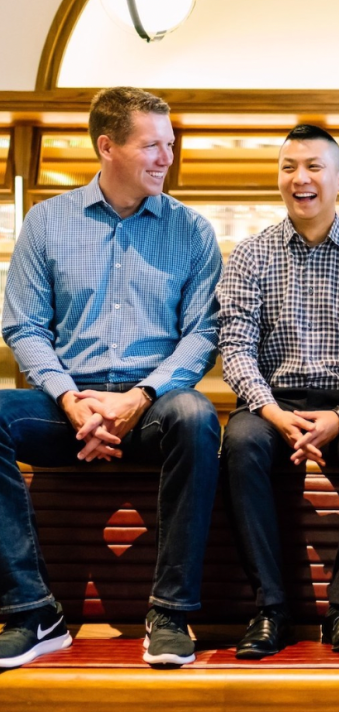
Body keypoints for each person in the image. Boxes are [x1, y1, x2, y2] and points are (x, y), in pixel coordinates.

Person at [0, 87, 222, 667]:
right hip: (65, 407)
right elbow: (23, 326)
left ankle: (170, 613)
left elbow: (202, 335)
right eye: (151, 145)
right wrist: (70, 398)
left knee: (196, 415)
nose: (167, 157)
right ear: (107, 147)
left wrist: (140, 396)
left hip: (153, 408)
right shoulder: (47, 222)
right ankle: (32, 612)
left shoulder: (192, 231)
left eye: (170, 143)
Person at [218, 125, 339, 657]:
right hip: (270, 403)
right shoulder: (250, 255)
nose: (299, 178)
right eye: (288, 167)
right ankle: (271, 609)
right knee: (240, 445)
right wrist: (272, 411)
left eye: (313, 167)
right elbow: (234, 346)